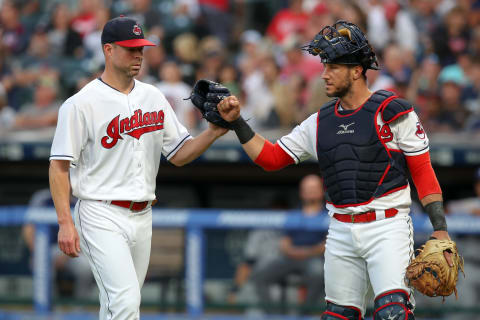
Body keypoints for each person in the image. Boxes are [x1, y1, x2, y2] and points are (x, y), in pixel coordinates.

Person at [217, 20, 454, 320]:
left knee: (392, 313)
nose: (324, 74)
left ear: (357, 70)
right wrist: (237, 122)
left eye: (333, 67)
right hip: (340, 229)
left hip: (387, 226)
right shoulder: (319, 121)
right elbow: (272, 158)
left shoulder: (392, 111)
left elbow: (422, 171)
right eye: (324, 66)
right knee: (337, 316)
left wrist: (440, 229)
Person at [49, 16, 228, 320]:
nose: (138, 55)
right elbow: (59, 165)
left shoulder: (153, 96)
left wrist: (212, 132)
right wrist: (65, 222)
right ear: (108, 50)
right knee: (126, 301)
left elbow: (179, 153)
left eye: (141, 49)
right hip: (100, 210)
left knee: (119, 305)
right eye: (130, 49)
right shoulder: (81, 103)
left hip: (143, 214)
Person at [249, 174, 326, 313]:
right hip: (290, 257)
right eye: (306, 189)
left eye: (313, 188)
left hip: (314, 258)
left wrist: (306, 252)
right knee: (260, 275)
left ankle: (303, 315)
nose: (310, 191)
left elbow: (326, 245)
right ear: (301, 192)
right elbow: (284, 243)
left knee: (318, 273)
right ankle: (275, 315)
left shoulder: (328, 214)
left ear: (321, 191)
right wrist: (293, 252)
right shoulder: (293, 213)